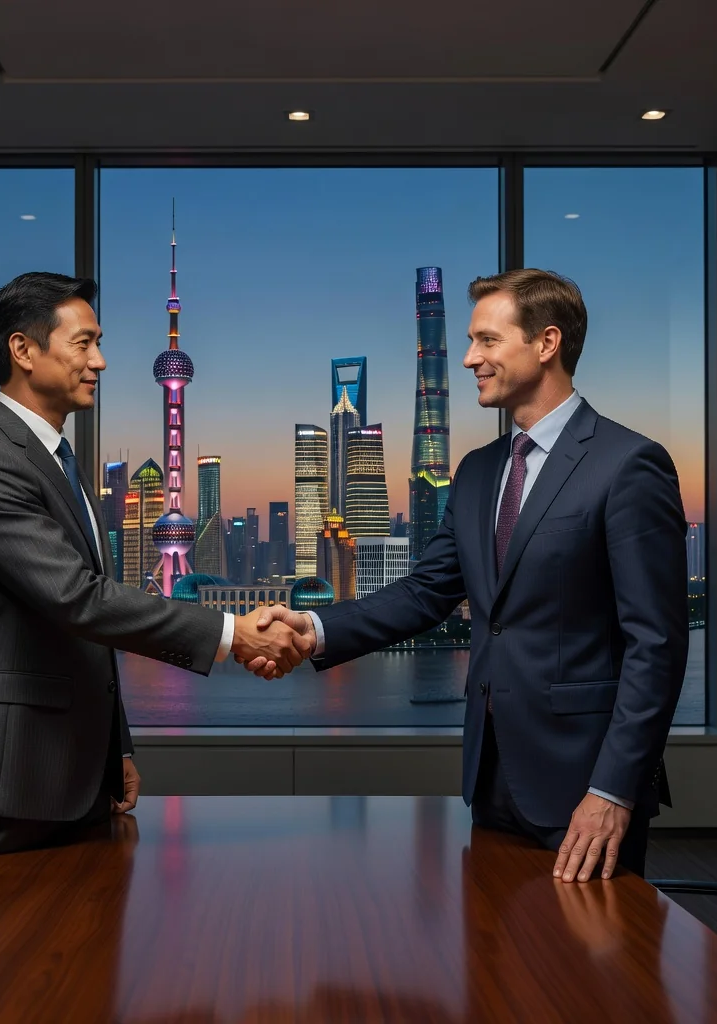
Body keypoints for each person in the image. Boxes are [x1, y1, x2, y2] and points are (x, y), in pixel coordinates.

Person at [248, 269, 688, 881]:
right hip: (491, 775)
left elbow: (657, 646)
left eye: (486, 340)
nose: (469, 359)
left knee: (589, 966)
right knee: (493, 959)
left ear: (546, 343)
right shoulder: (480, 471)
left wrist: (614, 790)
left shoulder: (628, 465)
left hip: (585, 781)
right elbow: (426, 591)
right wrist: (315, 627)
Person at [0, 272, 311, 880]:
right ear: (23, 350)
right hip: (7, 774)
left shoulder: (56, 460)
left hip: (70, 770)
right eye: (83, 344)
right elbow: (78, 600)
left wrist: (117, 747)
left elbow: (82, 631)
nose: (100, 362)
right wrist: (235, 633)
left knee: (76, 957)